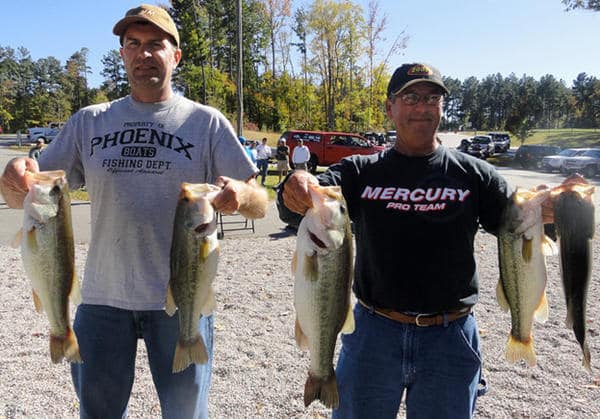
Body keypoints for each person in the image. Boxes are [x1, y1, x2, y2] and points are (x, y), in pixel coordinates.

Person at [0, 5, 267, 419]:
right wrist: (11, 178)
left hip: (182, 297)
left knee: (185, 413)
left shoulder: (206, 122)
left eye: (155, 44)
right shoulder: (89, 122)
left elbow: (260, 200)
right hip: (103, 299)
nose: (144, 54)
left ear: (175, 55)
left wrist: (242, 196)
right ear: (123, 55)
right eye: (133, 44)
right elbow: (30, 195)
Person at [278, 63, 519, 418]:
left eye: (431, 97)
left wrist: (551, 209)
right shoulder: (361, 171)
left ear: (441, 107)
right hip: (372, 333)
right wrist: (295, 182)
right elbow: (294, 205)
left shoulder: (475, 174)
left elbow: (519, 227)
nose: (421, 106)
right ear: (390, 108)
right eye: (410, 97)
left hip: (450, 338)